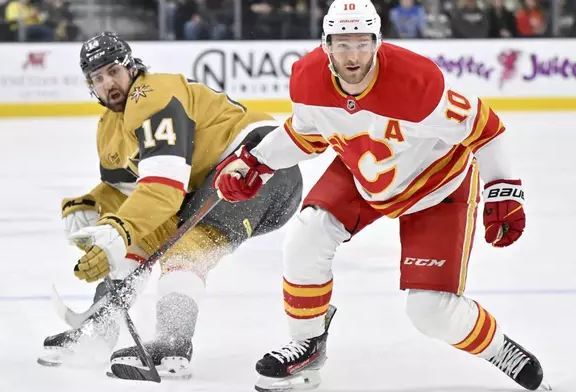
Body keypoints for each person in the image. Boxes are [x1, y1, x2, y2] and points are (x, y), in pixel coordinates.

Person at [212, 0, 547, 390]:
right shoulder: (306, 78)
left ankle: (498, 348)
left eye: (361, 43)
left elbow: (486, 129)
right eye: (341, 44)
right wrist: (256, 162)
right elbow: (307, 135)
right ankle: (307, 344)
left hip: (435, 187)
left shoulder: (418, 81)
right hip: (363, 172)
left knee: (430, 313)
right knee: (306, 233)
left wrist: (502, 189)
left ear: (378, 42)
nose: (352, 55)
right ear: (326, 45)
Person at [37, 32, 303, 380]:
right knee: (140, 233)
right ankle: (100, 328)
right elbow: (136, 190)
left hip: (260, 165)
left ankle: (172, 346)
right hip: (209, 183)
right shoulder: (108, 129)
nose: (109, 83)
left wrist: (119, 226)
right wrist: (93, 201)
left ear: (130, 66)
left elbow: (164, 188)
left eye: (114, 70)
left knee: (188, 243)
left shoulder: (152, 94)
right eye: (98, 78)